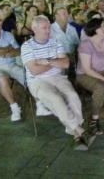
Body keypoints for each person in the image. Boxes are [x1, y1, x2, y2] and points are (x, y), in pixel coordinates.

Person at [21, 15, 95, 151]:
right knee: (56, 99)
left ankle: (77, 135)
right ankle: (80, 130)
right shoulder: (27, 46)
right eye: (44, 28)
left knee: (73, 97)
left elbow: (66, 63)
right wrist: (55, 62)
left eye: (49, 27)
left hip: (58, 77)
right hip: (38, 81)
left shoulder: (56, 42)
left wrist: (47, 61)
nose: (48, 30)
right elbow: (35, 70)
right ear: (35, 29)